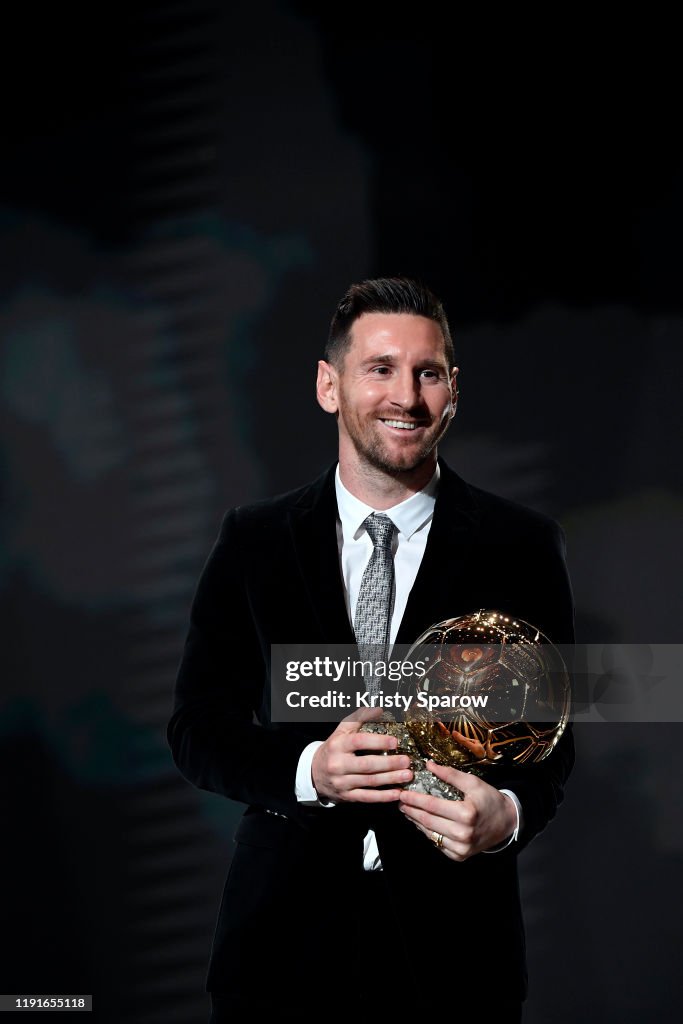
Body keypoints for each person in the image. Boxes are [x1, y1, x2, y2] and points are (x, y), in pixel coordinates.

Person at [167, 276, 575, 1022]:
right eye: (380, 368)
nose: (406, 397)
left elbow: (551, 744)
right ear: (329, 385)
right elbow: (196, 729)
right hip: (278, 952)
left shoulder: (521, 547)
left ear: (453, 391)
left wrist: (505, 817)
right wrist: (308, 769)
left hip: (457, 958)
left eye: (427, 373)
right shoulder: (254, 542)